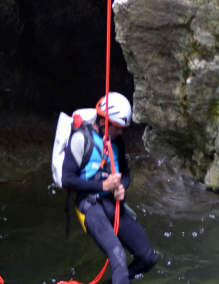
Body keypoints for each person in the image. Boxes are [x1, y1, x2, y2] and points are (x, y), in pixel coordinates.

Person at [61, 93, 157, 284]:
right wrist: (103, 185)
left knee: (147, 259)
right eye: (118, 127)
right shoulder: (81, 139)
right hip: (89, 204)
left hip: (112, 202)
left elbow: (125, 172)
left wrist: (122, 186)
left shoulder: (116, 142)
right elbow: (67, 179)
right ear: (104, 122)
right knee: (118, 257)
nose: (121, 132)